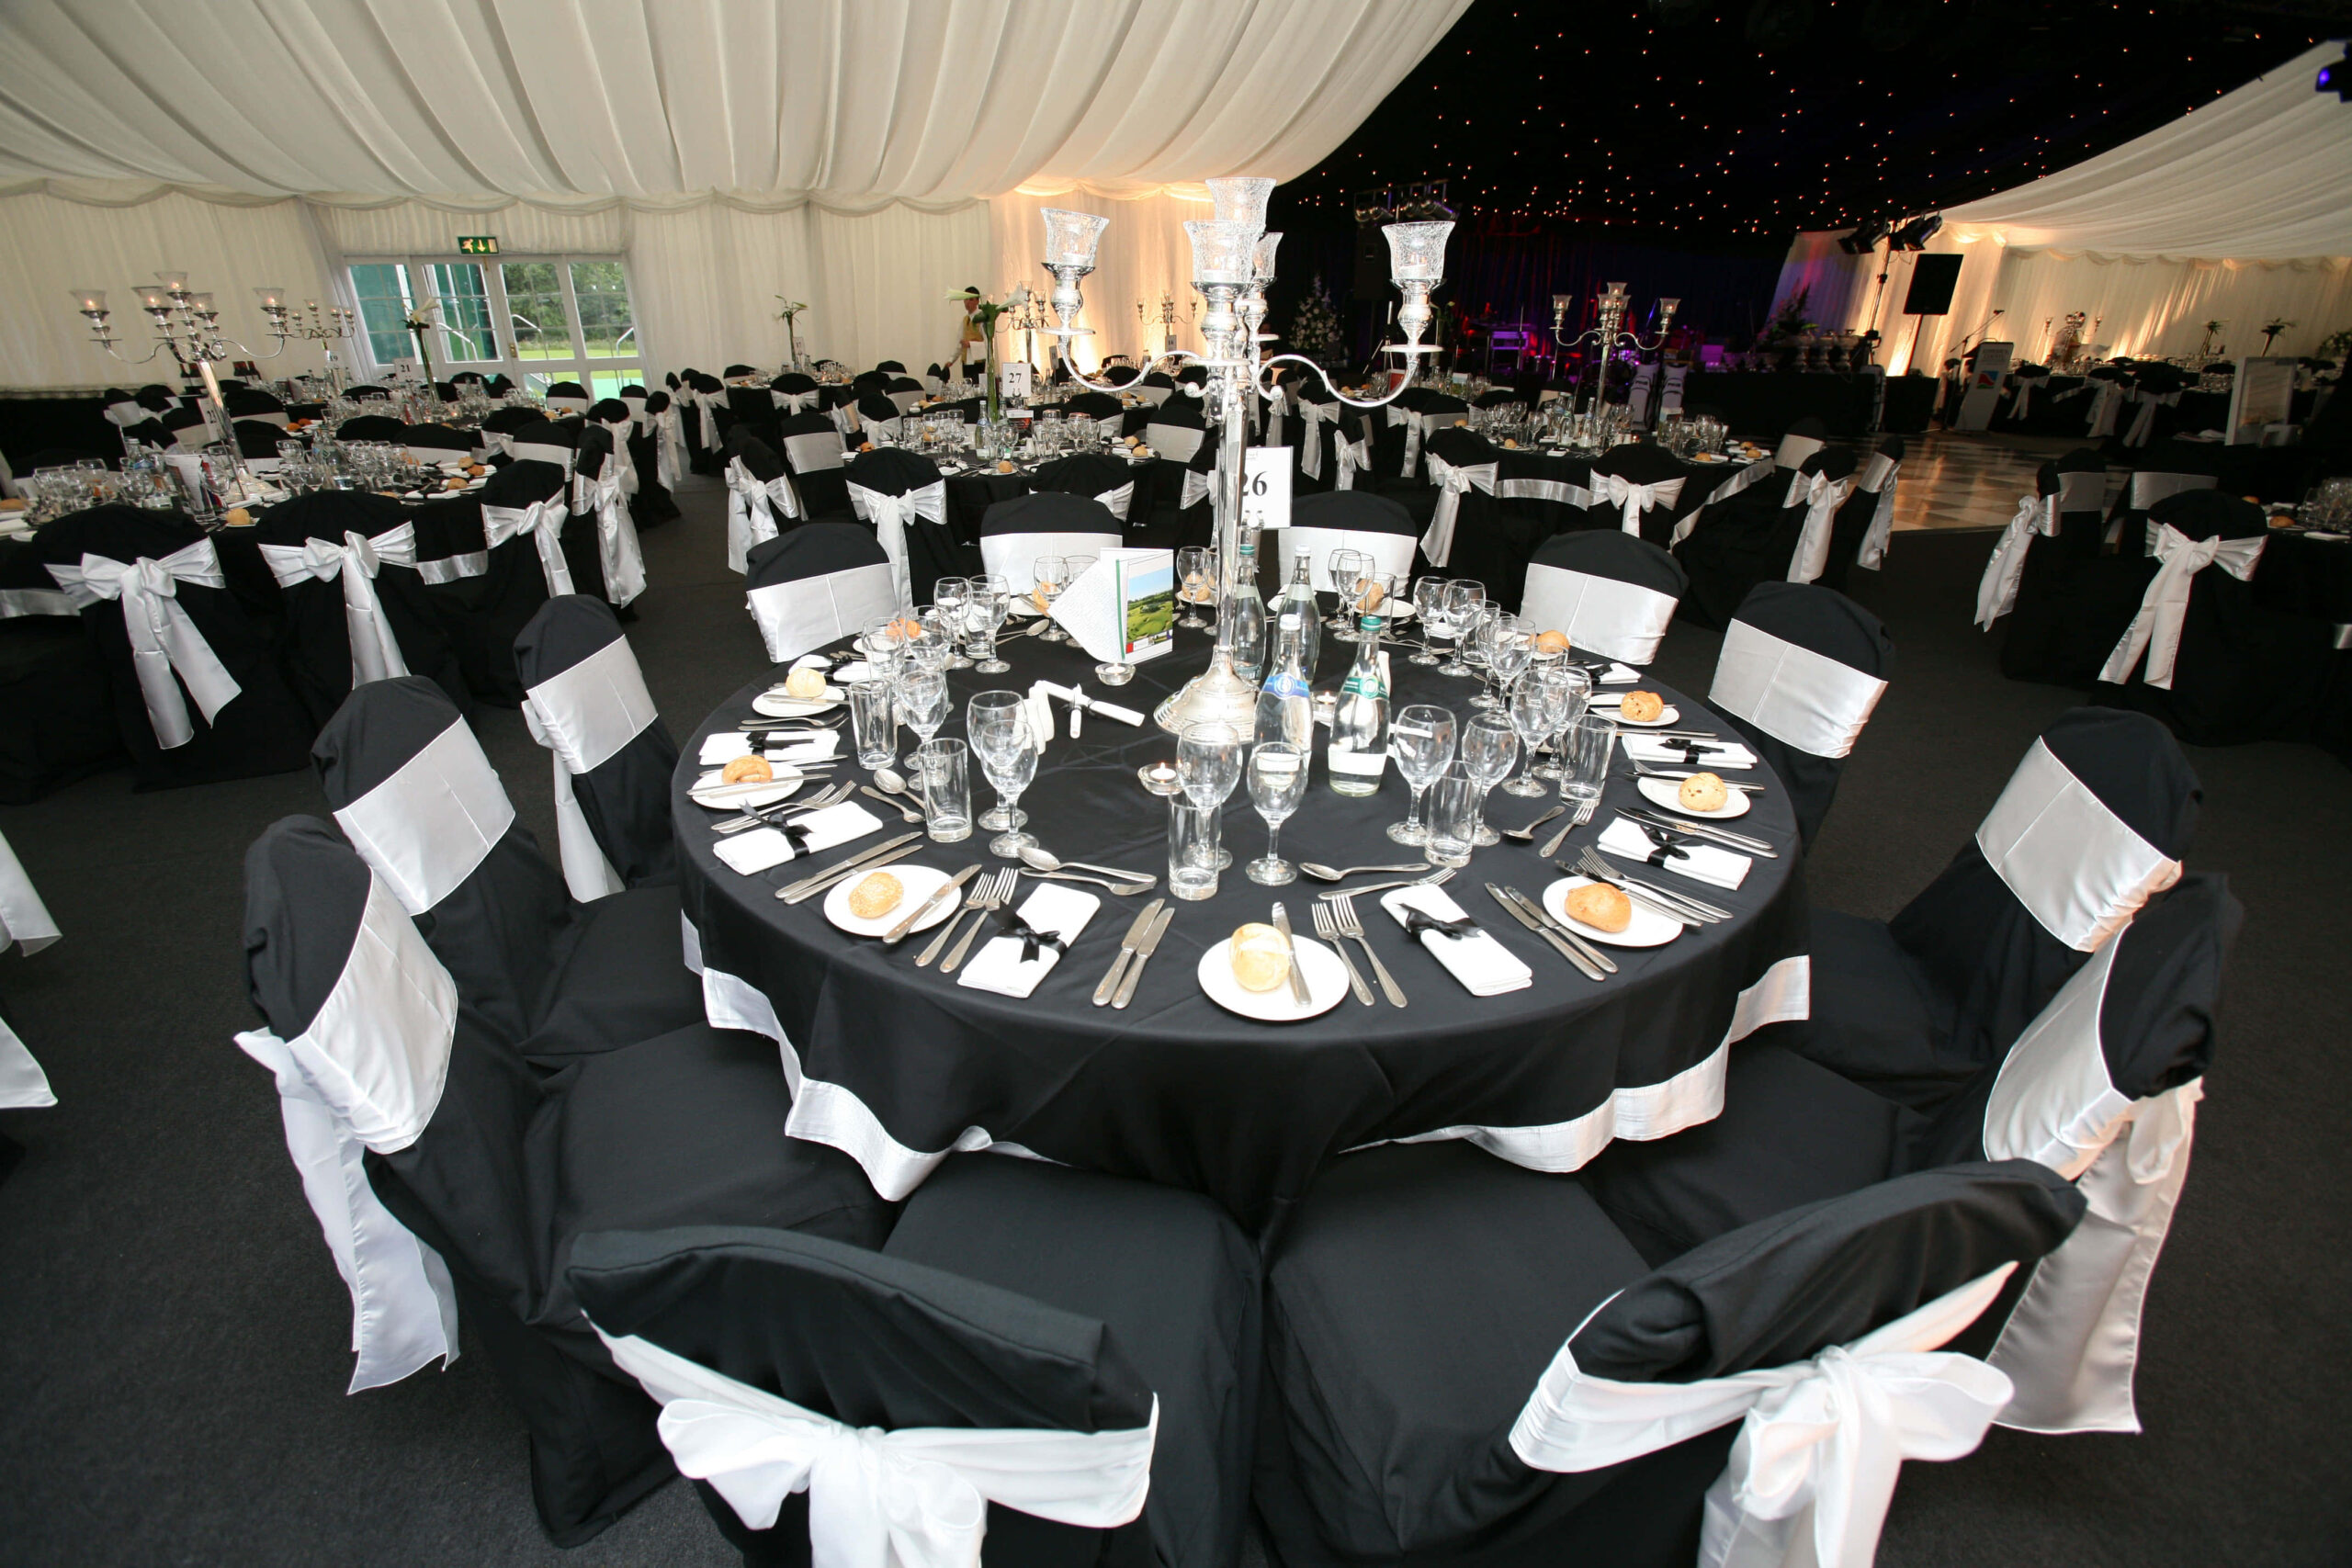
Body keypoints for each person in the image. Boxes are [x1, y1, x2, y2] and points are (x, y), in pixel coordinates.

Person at [947, 286, 989, 382]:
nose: (967, 303)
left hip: (978, 360)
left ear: (977, 301)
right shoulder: (965, 319)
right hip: (966, 361)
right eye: (965, 300)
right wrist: (951, 360)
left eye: (970, 300)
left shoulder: (982, 318)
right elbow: (959, 341)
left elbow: (988, 343)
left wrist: (971, 344)